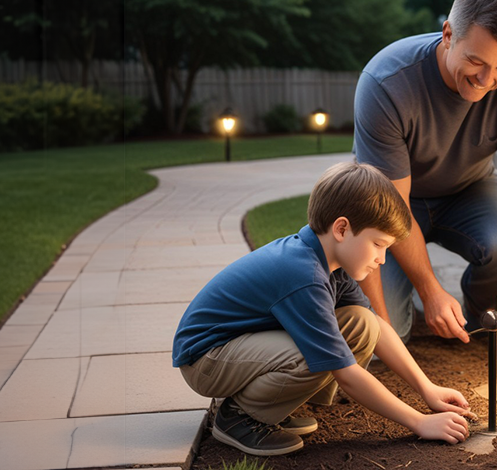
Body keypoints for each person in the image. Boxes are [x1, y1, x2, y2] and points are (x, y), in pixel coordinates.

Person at [172, 162, 471, 457]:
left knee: (363, 322)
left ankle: (269, 406)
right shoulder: (305, 276)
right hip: (206, 359)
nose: (382, 259)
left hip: (236, 347)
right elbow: (347, 374)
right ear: (341, 228)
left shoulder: (333, 265)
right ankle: (239, 417)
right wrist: (419, 422)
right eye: (378, 244)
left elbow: (377, 328)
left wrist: (426, 388)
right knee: (320, 354)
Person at [353, 0, 497, 345]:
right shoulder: (386, 82)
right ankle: (411, 299)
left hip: (468, 193)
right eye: (475, 61)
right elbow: (390, 203)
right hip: (388, 203)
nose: (487, 80)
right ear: (448, 34)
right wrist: (430, 291)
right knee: (380, 338)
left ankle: (477, 316)